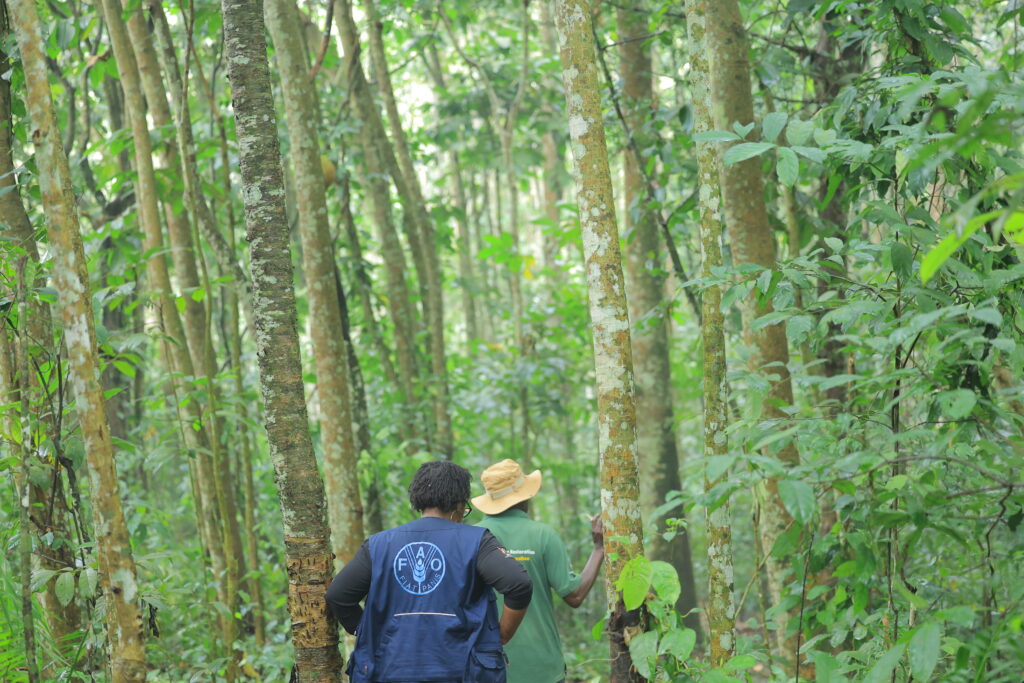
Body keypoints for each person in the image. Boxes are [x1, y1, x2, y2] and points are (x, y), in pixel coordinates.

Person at [327, 460, 533, 683]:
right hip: (463, 670)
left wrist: (366, 631)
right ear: (459, 503)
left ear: (417, 500)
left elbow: (338, 595)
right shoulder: (477, 541)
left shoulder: (379, 544)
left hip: (389, 670)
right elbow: (518, 584)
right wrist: (502, 634)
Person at [473, 459, 605, 683]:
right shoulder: (543, 535)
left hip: (484, 668)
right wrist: (599, 549)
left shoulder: (469, 537)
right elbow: (574, 595)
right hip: (541, 670)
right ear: (525, 496)